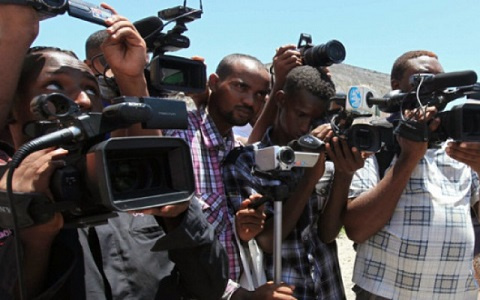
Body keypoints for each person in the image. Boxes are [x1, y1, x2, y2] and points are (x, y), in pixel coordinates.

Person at [0, 4, 228, 299]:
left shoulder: (137, 184)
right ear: (13, 109)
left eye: (92, 90)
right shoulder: (8, 198)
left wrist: (131, 77)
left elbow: (211, 286)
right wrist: (34, 237)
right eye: (55, 86)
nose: (81, 100)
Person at [343, 50, 480, 299]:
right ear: (396, 86)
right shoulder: (377, 139)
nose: (436, 90)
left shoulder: (461, 141)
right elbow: (356, 229)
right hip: (386, 293)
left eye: (442, 82)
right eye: (425, 80)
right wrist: (408, 157)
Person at [223, 63, 365, 300]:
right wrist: (308, 179)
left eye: (315, 119)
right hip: (283, 291)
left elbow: (328, 234)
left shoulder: (324, 157)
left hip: (327, 289)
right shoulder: (247, 161)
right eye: (301, 114)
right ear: (280, 100)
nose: (304, 126)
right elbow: (268, 241)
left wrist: (344, 173)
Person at [163, 53, 298, 299]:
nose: (249, 101)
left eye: (260, 94)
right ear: (213, 83)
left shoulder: (238, 150)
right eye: (240, 87)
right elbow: (168, 234)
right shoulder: (177, 140)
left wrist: (243, 227)